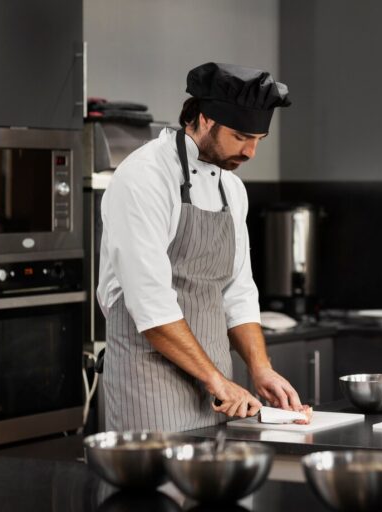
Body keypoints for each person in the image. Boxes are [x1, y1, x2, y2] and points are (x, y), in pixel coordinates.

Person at [97, 62, 301, 431]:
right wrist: (216, 380)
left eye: (258, 140)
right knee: (160, 486)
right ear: (206, 120)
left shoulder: (232, 188)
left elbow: (238, 291)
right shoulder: (144, 177)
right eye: (241, 136)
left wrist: (260, 368)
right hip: (149, 378)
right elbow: (150, 304)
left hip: (218, 386)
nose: (251, 152)